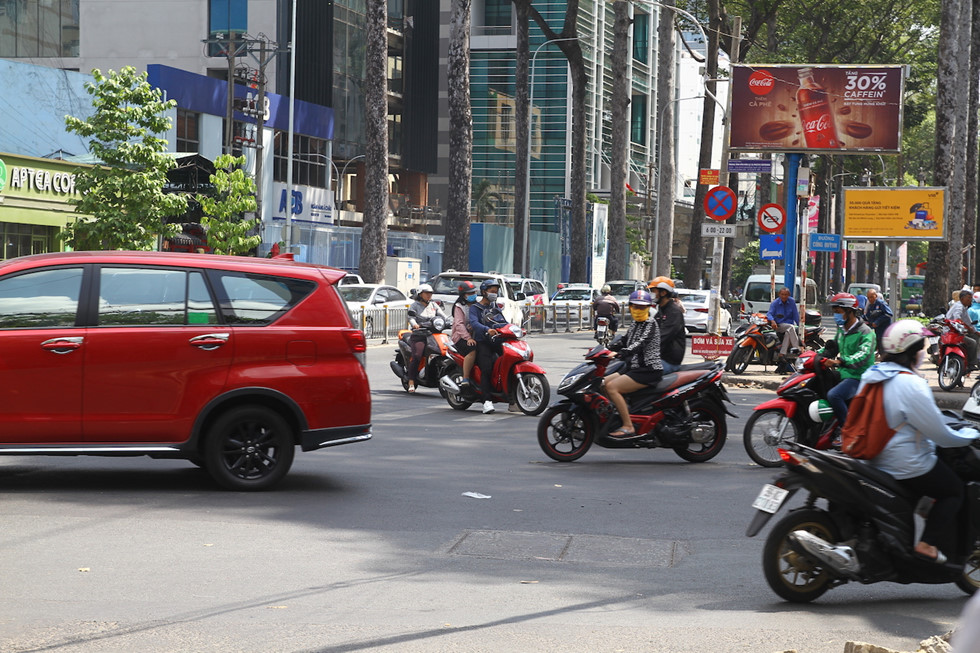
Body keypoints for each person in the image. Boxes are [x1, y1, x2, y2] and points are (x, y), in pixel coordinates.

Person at [856, 319, 979, 564]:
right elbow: (939, 433)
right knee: (953, 490)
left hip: (872, 457)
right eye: (922, 347)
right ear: (912, 351)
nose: (925, 352)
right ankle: (927, 543)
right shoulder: (911, 384)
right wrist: (970, 435)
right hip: (905, 463)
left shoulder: (872, 375)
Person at [604, 290, 664, 439]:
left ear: (648, 308)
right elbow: (624, 340)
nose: (638, 310)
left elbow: (640, 343)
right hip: (634, 368)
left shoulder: (651, 324)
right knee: (602, 383)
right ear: (630, 307)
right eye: (635, 307)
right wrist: (606, 349)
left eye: (642, 308)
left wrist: (622, 353)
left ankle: (628, 426)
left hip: (648, 370)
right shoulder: (635, 324)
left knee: (612, 387)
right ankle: (617, 415)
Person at [822, 293, 875, 427]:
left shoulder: (866, 332)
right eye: (834, 312)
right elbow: (832, 348)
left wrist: (840, 361)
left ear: (850, 311)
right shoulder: (842, 331)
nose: (836, 315)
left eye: (838, 311)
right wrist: (811, 355)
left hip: (859, 376)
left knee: (834, 395)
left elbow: (862, 355)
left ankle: (847, 430)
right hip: (843, 373)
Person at [469, 279, 509, 414]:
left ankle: (512, 399)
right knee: (486, 369)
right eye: (492, 291)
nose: (494, 294)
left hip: (498, 341)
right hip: (483, 342)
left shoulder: (495, 307)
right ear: (484, 292)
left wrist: (512, 328)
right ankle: (486, 401)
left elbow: (504, 322)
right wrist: (487, 330)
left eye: (496, 292)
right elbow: (474, 324)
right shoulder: (475, 308)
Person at [406, 284, 448, 394]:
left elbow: (443, 316)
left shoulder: (434, 305)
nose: (429, 295)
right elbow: (411, 317)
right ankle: (411, 382)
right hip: (419, 335)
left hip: (433, 335)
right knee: (417, 356)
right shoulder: (414, 305)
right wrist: (415, 324)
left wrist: (450, 322)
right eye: (426, 293)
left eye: (430, 293)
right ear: (420, 294)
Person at [648, 276, 685, 373]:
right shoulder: (661, 310)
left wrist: (641, 348)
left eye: (653, 291)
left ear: (663, 293)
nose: (651, 294)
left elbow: (662, 337)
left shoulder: (673, 312)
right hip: (657, 358)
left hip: (668, 361)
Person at [450, 281, 479, 386]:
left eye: (474, 293)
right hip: (461, 337)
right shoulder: (459, 307)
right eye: (470, 293)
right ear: (463, 295)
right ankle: (466, 377)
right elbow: (459, 325)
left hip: (475, 335)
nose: (473, 295)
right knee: (472, 350)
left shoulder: (477, 305)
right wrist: (468, 338)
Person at [766, 287, 801, 372]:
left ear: (788, 295)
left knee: (788, 333)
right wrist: (773, 321)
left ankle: (782, 353)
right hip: (779, 325)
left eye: (786, 295)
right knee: (790, 328)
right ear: (779, 295)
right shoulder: (775, 303)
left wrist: (801, 327)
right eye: (782, 294)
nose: (784, 296)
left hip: (789, 327)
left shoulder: (792, 302)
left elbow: (795, 315)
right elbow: (769, 314)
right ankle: (797, 348)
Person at [946, 289, 980, 371]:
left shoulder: (965, 308)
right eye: (968, 298)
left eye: (971, 298)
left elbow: (969, 322)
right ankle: (972, 363)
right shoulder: (959, 306)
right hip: (952, 333)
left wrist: (975, 331)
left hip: (959, 332)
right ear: (962, 298)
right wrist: (969, 328)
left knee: (975, 337)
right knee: (973, 343)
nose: (970, 300)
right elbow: (958, 318)